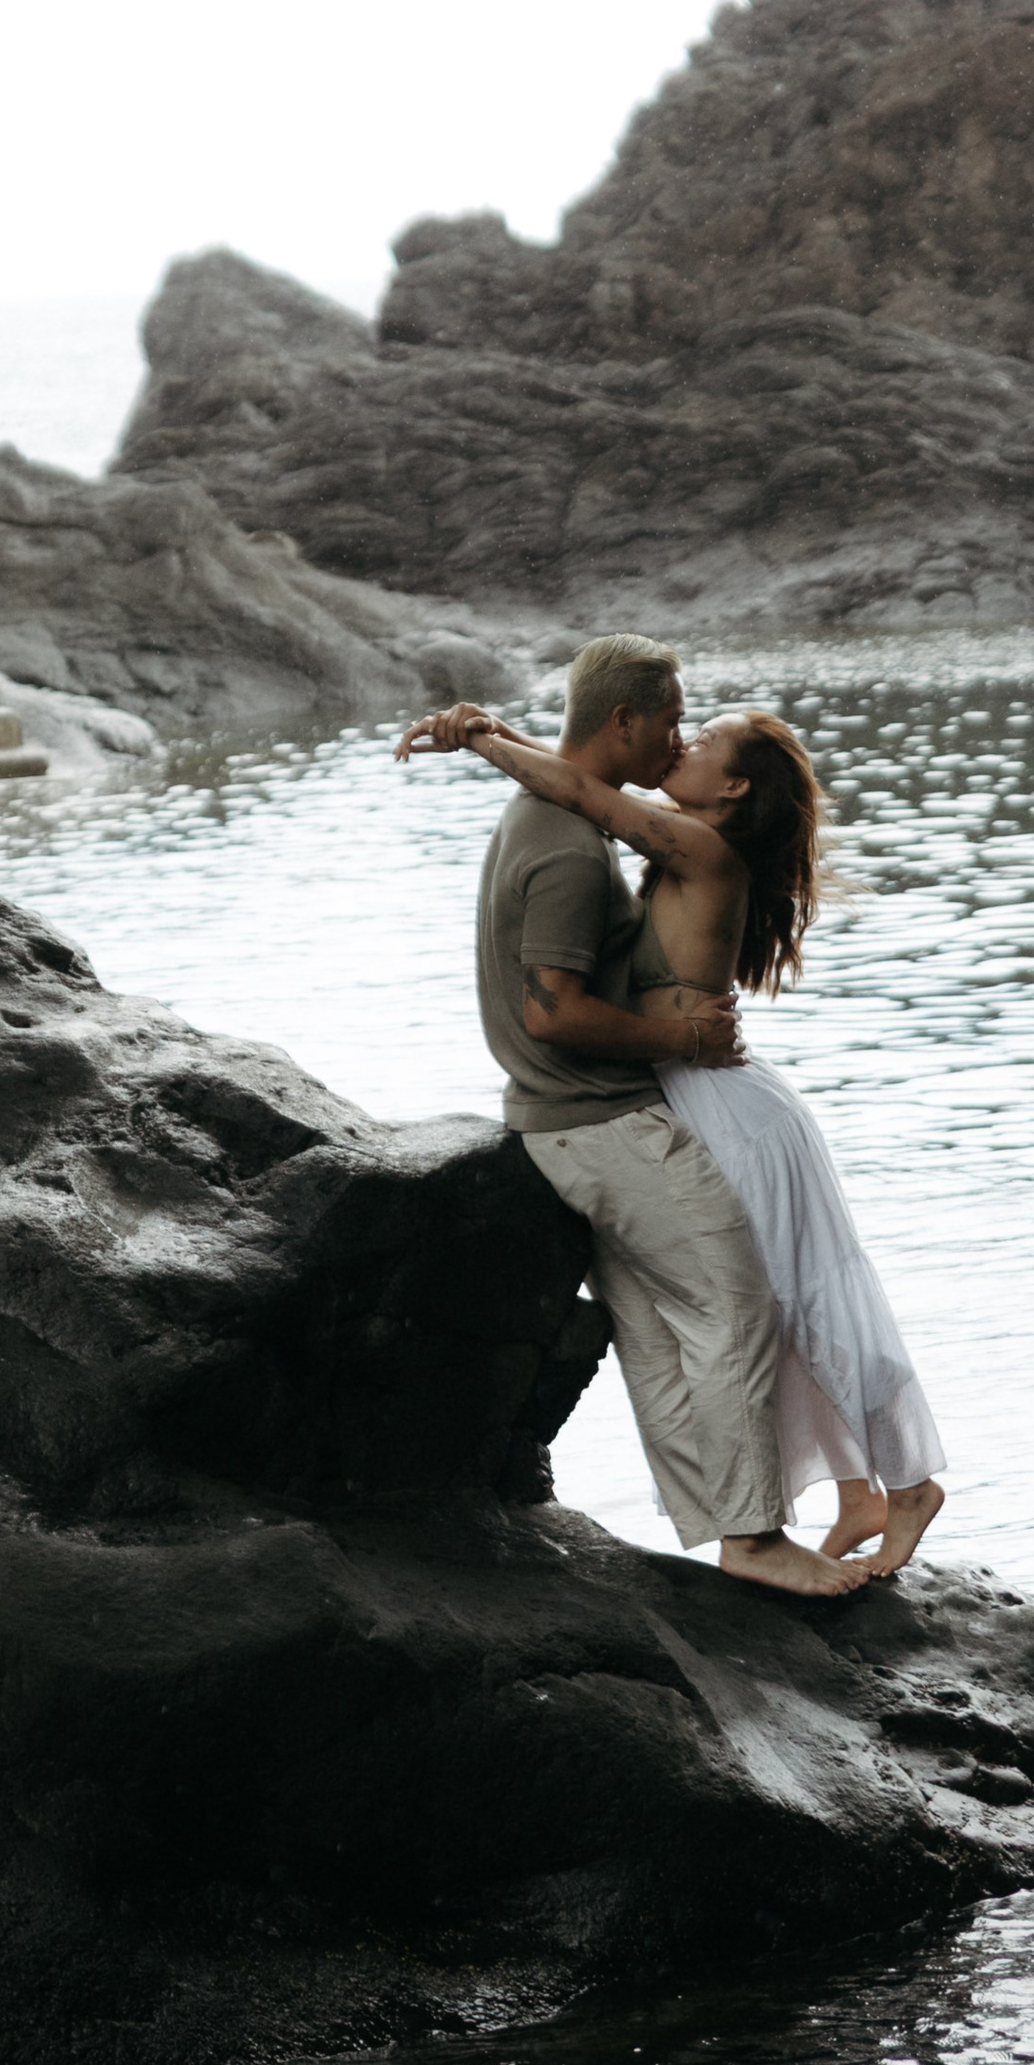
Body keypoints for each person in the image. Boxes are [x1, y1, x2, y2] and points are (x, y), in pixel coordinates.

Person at [397, 666, 947, 1581]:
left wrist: (480, 740)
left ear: (731, 788)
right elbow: (582, 779)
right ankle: (858, 1490)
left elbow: (580, 786)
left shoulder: (704, 851)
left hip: (727, 1111)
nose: (682, 745)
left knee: (806, 1298)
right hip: (697, 1094)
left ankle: (910, 1482)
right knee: (775, 1303)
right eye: (678, 729)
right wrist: (494, 730)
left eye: (700, 742)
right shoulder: (686, 845)